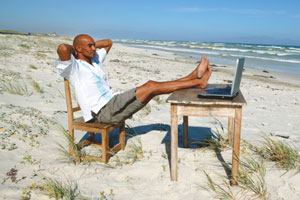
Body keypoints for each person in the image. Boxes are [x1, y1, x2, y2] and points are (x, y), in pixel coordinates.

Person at [55, 34, 212, 124]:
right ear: (78, 49)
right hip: (101, 113)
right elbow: (62, 48)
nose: (94, 48)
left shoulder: (95, 60)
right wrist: (76, 51)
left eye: (93, 45)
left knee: (152, 91)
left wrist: (89, 45)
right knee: (151, 86)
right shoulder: (74, 68)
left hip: (113, 103)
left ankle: (192, 78)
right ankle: (198, 82)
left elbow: (109, 42)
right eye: (89, 46)